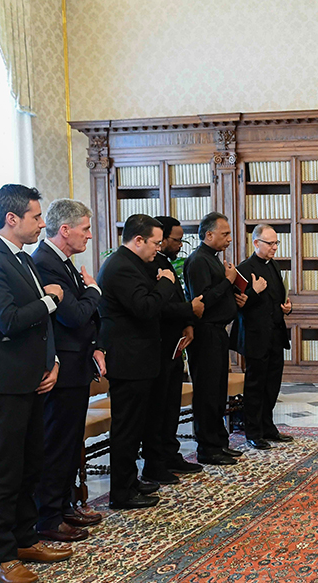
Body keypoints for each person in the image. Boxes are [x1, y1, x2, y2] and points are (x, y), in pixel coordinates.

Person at [0, 184, 71, 583]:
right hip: (3, 380)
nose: (42, 223)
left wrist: (55, 361)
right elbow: (7, 319)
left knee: (32, 462)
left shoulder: (23, 258)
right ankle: (1, 555)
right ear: (11, 219)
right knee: (4, 469)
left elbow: (40, 327)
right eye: (36, 216)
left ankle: (26, 539)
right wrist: (52, 300)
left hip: (34, 378)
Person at [32, 198, 104, 541]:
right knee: (57, 445)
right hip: (59, 369)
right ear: (65, 230)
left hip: (77, 364)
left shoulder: (65, 262)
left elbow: (85, 315)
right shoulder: (45, 262)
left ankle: (63, 506)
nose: (89, 236)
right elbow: (73, 315)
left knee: (70, 442)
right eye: (85, 229)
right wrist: (93, 290)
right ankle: (48, 517)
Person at [98, 214, 178, 509]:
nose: (159, 248)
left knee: (137, 426)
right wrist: (166, 283)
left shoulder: (134, 264)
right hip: (128, 361)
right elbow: (145, 308)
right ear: (138, 240)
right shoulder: (121, 267)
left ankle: (130, 482)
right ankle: (121, 492)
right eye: (156, 243)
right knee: (127, 428)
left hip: (141, 358)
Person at [142, 216, 204, 483]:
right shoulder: (148, 264)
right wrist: (189, 311)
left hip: (174, 344)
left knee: (171, 406)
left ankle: (170, 453)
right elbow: (159, 306)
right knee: (158, 408)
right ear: (162, 238)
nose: (180, 245)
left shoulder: (165, 262)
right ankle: (155, 462)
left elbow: (175, 296)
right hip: (157, 345)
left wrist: (187, 323)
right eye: (176, 239)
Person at [183, 212, 241, 466]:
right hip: (205, 332)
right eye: (225, 234)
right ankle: (207, 448)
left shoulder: (215, 260)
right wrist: (228, 282)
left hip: (218, 332)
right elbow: (203, 300)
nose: (229, 239)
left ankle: (219, 442)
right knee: (207, 392)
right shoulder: (198, 261)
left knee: (218, 391)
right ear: (208, 235)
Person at [231, 224, 295, 449]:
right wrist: (253, 292)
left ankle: (268, 426)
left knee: (272, 384)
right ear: (256, 243)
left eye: (277, 243)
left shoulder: (274, 266)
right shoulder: (243, 269)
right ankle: (253, 431)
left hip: (275, 334)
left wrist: (287, 308)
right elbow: (238, 307)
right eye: (270, 243)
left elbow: (277, 298)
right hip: (255, 336)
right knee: (255, 386)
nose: (275, 247)